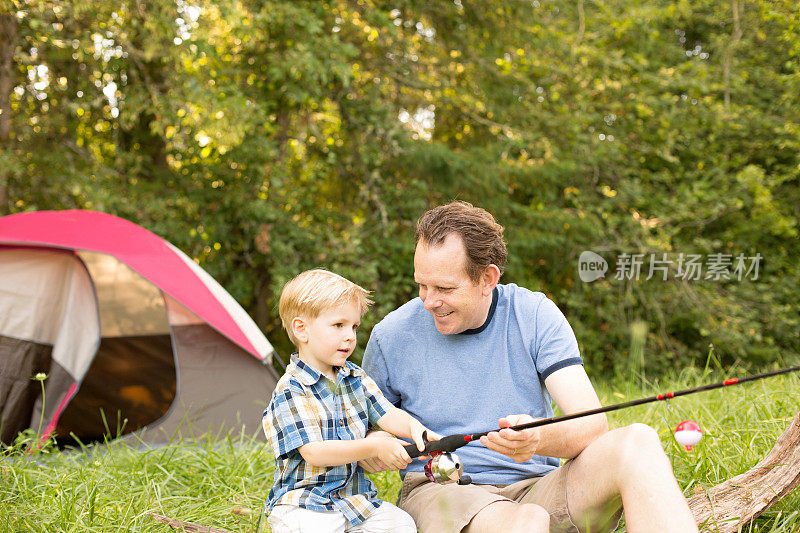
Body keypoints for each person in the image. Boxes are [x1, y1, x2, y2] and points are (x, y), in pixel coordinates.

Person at [361, 201, 699, 533]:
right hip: (444, 494)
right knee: (523, 522)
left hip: (539, 490)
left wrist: (537, 437)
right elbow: (360, 435)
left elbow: (591, 425)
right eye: (422, 284)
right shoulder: (390, 336)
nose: (428, 300)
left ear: (487, 278)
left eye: (445, 288)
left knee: (638, 441)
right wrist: (374, 449)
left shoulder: (534, 314)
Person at [263, 269, 439, 533]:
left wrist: (416, 429)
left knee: (401, 524)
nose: (350, 335)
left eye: (354, 326)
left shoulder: (355, 377)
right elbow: (314, 451)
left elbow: (388, 414)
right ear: (302, 329)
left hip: (354, 500)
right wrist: (371, 447)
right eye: (338, 325)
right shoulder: (291, 389)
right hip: (304, 503)